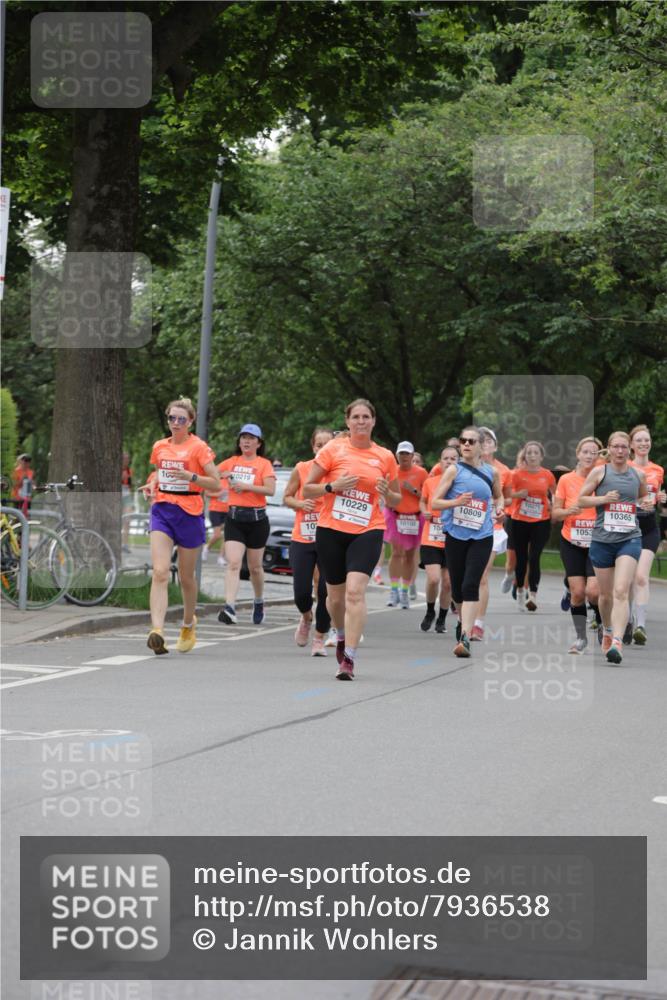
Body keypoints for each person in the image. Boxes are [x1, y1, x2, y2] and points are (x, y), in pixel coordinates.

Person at [303, 399, 400, 680]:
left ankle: (349, 659)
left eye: (366, 417)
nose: (360, 421)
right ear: (347, 421)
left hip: (368, 529)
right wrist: (332, 486)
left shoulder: (385, 456)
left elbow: (395, 498)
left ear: (373, 421)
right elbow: (309, 489)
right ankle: (342, 634)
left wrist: (386, 492)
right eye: (355, 417)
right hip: (332, 529)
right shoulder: (333, 449)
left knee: (355, 592)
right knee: (335, 598)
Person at [144, 398, 220, 655]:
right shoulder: (160, 447)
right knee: (160, 571)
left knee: (187, 577)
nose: (176, 424)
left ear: (190, 422)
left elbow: (216, 484)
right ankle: (157, 630)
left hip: (190, 512)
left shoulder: (199, 448)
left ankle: (188, 624)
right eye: (172, 419)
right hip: (162, 510)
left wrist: (192, 477)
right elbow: (158, 473)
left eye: (181, 420)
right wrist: (152, 483)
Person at [578, 430, 650, 665]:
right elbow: (581, 499)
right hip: (602, 540)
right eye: (615, 447)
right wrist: (603, 499)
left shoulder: (638, 475)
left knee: (621, 590)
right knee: (605, 595)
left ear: (629, 449)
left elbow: (641, 499)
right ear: (609, 449)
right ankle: (607, 628)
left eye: (623, 447)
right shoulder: (600, 472)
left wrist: (645, 502)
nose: (620, 451)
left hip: (629, 538)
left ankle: (617, 641)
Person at [432, 427, 503, 658]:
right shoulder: (453, 471)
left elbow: (498, 495)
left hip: (482, 535)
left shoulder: (492, 472)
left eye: (472, 441)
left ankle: (465, 636)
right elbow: (435, 503)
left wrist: (500, 508)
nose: (467, 445)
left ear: (481, 446)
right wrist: (456, 502)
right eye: (463, 441)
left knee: (472, 584)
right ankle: (463, 621)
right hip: (455, 535)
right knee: (458, 587)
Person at [217, 423, 276, 626]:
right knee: (233, 563)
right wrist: (220, 474)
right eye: (243, 438)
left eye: (251, 438)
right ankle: (230, 607)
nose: (246, 441)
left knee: (255, 568)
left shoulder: (264, 464)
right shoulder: (231, 461)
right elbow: (211, 473)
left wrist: (246, 486)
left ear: (259, 443)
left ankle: (258, 601)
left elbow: (270, 490)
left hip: (257, 520)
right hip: (234, 519)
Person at [283, 427, 335, 656]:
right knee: (301, 591)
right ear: (312, 447)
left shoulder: (338, 471)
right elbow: (286, 497)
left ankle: (319, 638)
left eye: (327, 444)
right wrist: (300, 504)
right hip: (302, 536)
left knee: (325, 590)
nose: (322, 448)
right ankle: (306, 617)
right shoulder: (302, 469)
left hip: (329, 535)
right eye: (318, 444)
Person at [552, 437, 601, 653]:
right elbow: (554, 514)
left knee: (593, 592)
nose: (590, 456)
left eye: (594, 452)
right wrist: (567, 512)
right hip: (571, 540)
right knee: (578, 592)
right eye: (586, 451)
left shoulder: (603, 479)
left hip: (598, 541)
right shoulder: (566, 481)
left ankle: (601, 622)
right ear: (578, 454)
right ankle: (581, 638)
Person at [506, 441, 555, 611]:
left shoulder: (547, 475)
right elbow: (506, 495)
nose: (532, 455)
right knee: (521, 558)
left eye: (536, 453)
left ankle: (532, 595)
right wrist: (518, 494)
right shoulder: (517, 475)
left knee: (534, 557)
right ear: (524, 456)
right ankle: (520, 591)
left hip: (541, 521)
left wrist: (552, 505)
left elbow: (556, 493)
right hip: (519, 521)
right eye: (529, 453)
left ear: (541, 456)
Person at [628, 424, 665, 644]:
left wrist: (661, 498)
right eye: (639, 440)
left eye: (646, 440)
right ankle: (628, 618)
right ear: (631, 445)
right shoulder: (625, 467)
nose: (644, 444)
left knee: (641, 577)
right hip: (628, 528)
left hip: (650, 527)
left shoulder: (658, 470)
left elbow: (656, 495)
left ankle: (640, 625)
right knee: (627, 579)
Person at [473, 427, 511, 641]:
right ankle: (465, 615)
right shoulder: (465, 467)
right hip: (467, 526)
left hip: (492, 528)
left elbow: (505, 497)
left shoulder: (503, 471)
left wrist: (501, 509)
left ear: (495, 446)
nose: (484, 444)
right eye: (481, 440)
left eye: (488, 441)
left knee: (482, 576)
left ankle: (478, 623)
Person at [419, 445, 458, 633]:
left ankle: (442, 618)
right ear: (440, 461)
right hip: (431, 538)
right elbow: (422, 500)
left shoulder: (461, 484)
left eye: (453, 459)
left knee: (448, 582)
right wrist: (425, 511)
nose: (449, 462)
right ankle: (429, 611)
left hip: (452, 538)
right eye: (446, 458)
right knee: (434, 579)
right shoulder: (430, 482)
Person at [385, 442, 428, 609]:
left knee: (410, 555)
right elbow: (385, 492)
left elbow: (428, 496)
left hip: (415, 518)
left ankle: (405, 590)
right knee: (396, 553)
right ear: (397, 455)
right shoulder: (391, 471)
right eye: (401, 453)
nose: (404, 457)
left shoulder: (421, 473)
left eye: (407, 454)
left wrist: (413, 491)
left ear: (412, 456)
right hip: (395, 516)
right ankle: (394, 590)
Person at [202, 467, 229, 566]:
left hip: (227, 511)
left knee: (227, 535)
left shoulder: (229, 481)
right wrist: (219, 494)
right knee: (217, 535)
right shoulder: (215, 481)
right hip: (215, 510)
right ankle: (206, 548)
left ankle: (221, 557)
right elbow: (207, 493)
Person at [121, 452, 133, 552]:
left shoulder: (129, 471)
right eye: (125, 459)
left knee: (127, 520)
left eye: (128, 459)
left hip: (127, 496)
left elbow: (130, 485)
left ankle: (125, 544)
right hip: (118, 496)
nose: (127, 461)